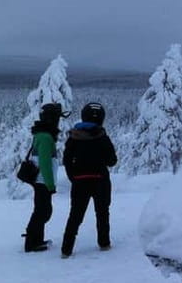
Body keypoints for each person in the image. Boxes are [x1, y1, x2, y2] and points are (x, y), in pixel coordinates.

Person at [60, 102, 118, 258]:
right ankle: (104, 243)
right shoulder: (102, 137)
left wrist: (73, 177)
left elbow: (66, 160)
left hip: (79, 181)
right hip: (101, 180)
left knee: (75, 215)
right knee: (102, 213)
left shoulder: (74, 136)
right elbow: (112, 161)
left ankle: (66, 249)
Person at [23, 102, 69, 252]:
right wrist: (50, 184)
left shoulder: (42, 134)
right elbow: (45, 162)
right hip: (42, 181)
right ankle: (32, 242)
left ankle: (36, 239)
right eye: (57, 118)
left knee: (42, 210)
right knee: (43, 211)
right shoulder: (45, 137)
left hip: (40, 180)